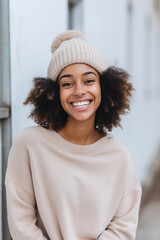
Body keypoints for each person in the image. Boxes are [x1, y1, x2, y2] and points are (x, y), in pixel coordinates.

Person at [5, 30, 142, 240]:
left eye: (88, 81)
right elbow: (21, 224)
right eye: (67, 83)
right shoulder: (29, 144)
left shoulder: (119, 157)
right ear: (54, 92)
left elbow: (123, 229)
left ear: (103, 87)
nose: (79, 90)